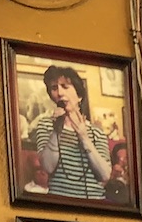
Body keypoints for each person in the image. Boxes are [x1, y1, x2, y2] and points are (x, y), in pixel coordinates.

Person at [28, 64, 111, 200]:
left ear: (79, 96)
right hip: (60, 204)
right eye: (54, 88)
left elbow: (104, 175)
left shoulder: (97, 132)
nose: (60, 93)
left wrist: (84, 137)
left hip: (94, 206)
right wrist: (56, 131)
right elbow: (47, 167)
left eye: (65, 87)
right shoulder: (46, 126)